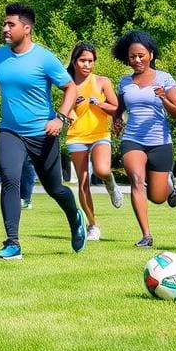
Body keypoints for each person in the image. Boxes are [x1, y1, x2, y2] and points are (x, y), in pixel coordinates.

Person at [0, 3, 85, 260]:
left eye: (10, 24)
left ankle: (75, 216)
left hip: (43, 133)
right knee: (10, 180)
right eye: (4, 23)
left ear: (26, 29)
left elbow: (71, 89)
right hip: (10, 131)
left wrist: (60, 118)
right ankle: (12, 242)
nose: (5, 28)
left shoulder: (44, 58)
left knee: (55, 189)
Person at [112, 30, 176, 248]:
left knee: (158, 197)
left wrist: (164, 98)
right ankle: (146, 235)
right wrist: (116, 120)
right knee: (136, 179)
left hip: (160, 141)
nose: (137, 60)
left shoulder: (164, 79)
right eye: (132, 56)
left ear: (151, 55)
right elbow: (120, 108)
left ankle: (169, 187)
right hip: (132, 139)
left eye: (141, 55)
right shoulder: (124, 82)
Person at [64, 42, 123, 242]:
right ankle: (93, 225)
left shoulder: (102, 82)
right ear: (74, 61)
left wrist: (100, 103)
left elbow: (116, 108)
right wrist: (72, 105)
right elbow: (64, 112)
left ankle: (110, 183)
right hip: (76, 135)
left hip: (100, 134)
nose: (87, 64)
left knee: (102, 169)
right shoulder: (68, 84)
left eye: (90, 61)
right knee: (82, 183)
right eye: (83, 60)